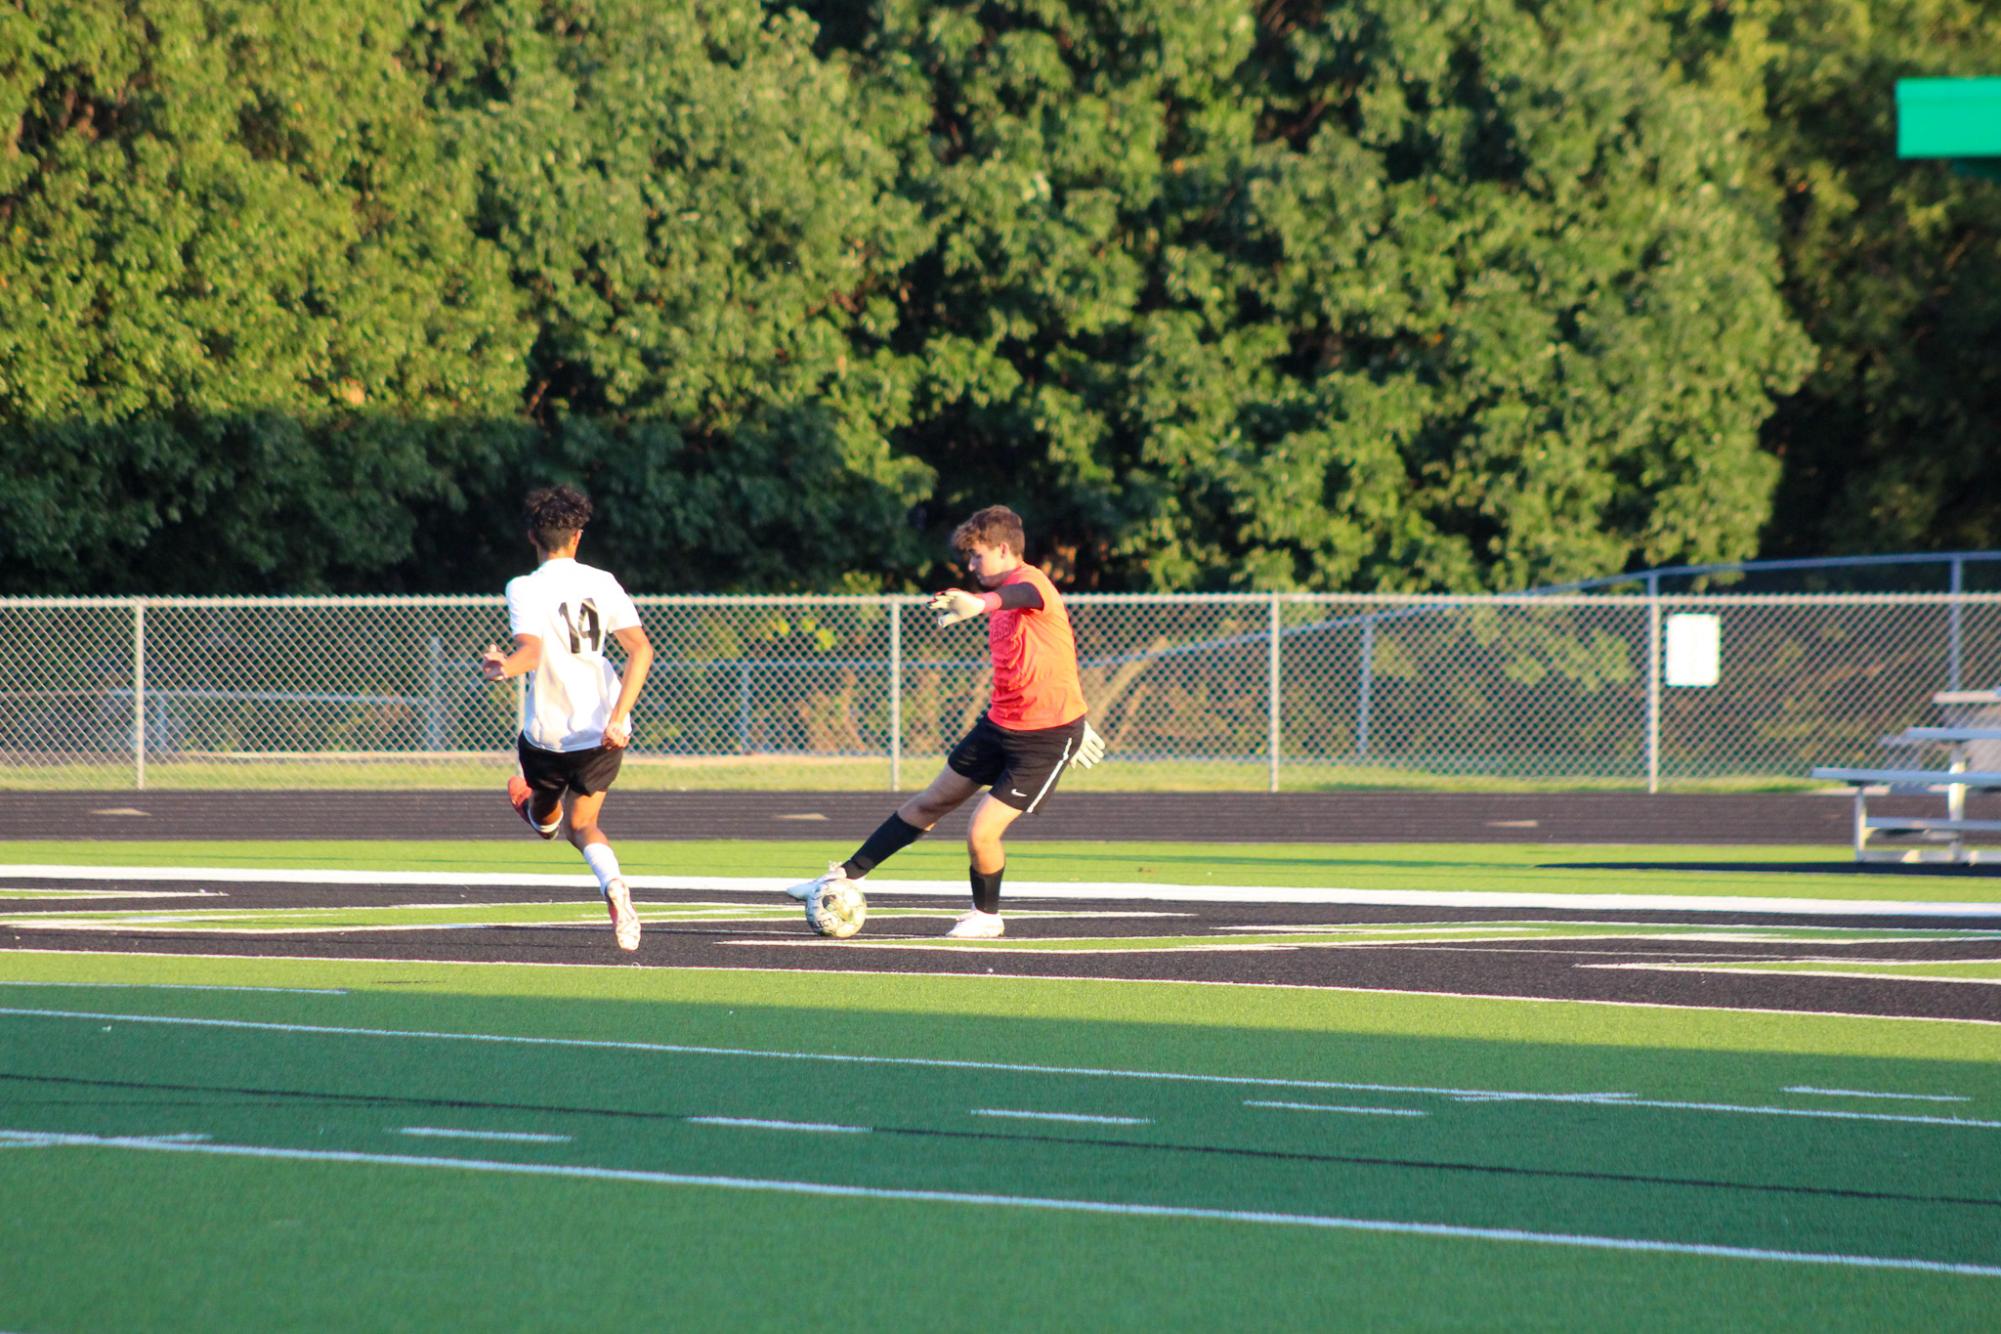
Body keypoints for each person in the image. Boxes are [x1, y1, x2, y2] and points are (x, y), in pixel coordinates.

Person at [788, 505, 1104, 938]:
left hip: (1043, 738)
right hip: (999, 725)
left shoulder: (1030, 582)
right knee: (929, 803)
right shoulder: (1001, 591)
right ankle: (846, 876)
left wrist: (980, 602)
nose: (971, 565)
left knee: (981, 831)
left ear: (1004, 549)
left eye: (977, 555)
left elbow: (1021, 596)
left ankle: (987, 915)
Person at [481, 484, 655, 952]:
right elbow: (641, 650)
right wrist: (620, 716)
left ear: (531, 536)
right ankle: (614, 884)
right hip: (602, 732)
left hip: (549, 735)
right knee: (583, 826)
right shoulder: (602, 581)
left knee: (544, 817)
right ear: (577, 537)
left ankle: (537, 812)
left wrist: (503, 668)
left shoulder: (524, 586)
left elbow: (530, 652)